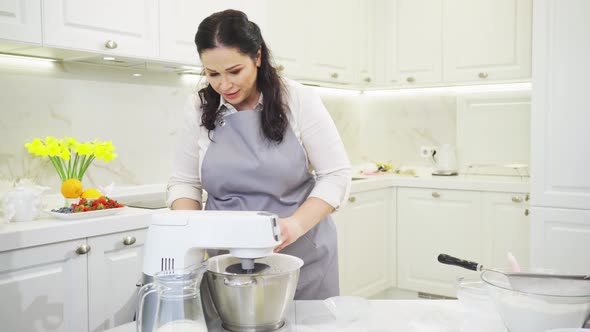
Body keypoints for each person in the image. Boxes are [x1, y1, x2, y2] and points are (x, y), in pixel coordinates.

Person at [166, 9, 351, 300]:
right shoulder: (199, 107)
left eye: (235, 71)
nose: (224, 85)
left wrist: (295, 225)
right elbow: (185, 182)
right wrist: (191, 232)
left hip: (300, 256)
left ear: (258, 57)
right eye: (212, 74)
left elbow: (336, 175)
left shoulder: (298, 99)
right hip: (225, 265)